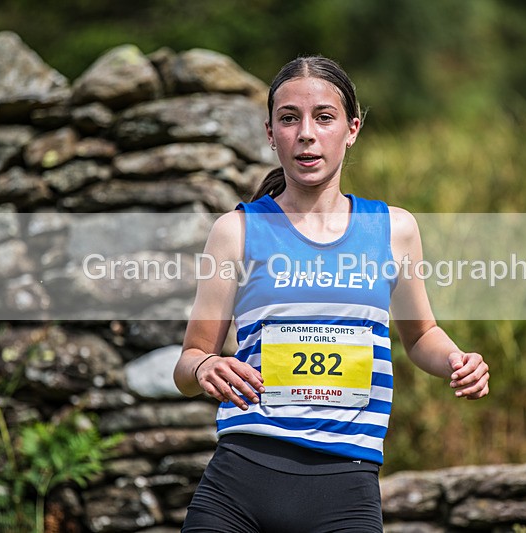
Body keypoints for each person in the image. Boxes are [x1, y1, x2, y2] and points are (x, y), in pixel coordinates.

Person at [173, 56, 490, 533]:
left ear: (352, 128)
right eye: (289, 118)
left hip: (346, 489)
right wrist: (204, 365)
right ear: (269, 132)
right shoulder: (236, 231)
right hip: (239, 483)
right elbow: (188, 362)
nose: (306, 133)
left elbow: (422, 334)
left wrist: (456, 360)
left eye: (324, 117)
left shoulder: (393, 229)